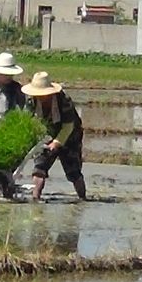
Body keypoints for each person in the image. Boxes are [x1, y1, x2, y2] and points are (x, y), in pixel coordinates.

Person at [21, 70, 87, 202]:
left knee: (73, 171)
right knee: (39, 168)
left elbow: (69, 125)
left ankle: (83, 199)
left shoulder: (63, 100)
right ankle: (35, 199)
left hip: (70, 136)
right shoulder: (31, 101)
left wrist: (56, 143)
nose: (41, 97)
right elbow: (26, 121)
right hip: (46, 133)